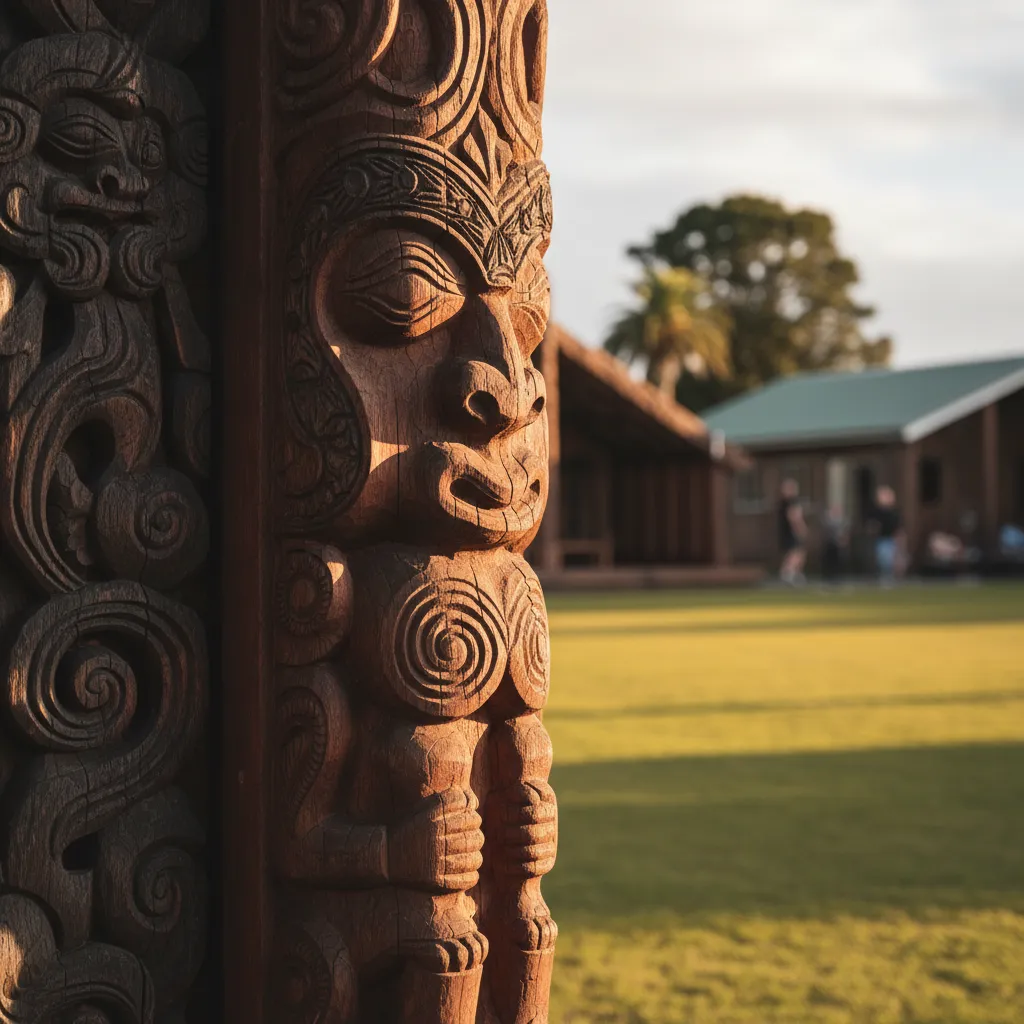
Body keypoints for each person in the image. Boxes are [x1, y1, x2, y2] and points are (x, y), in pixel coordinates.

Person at [871, 485, 905, 586]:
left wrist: (900, 541)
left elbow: (899, 529)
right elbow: (873, 527)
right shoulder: (877, 512)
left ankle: (889, 579)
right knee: (883, 560)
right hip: (881, 539)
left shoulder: (894, 513)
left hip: (891, 539)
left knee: (890, 560)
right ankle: (884, 578)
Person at [777, 478, 808, 585]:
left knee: (797, 552)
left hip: (786, 531)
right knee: (796, 552)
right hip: (791, 531)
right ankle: (788, 573)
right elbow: (794, 517)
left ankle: (794, 573)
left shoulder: (783, 503)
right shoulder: (792, 502)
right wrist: (800, 528)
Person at [821, 503, 849, 584]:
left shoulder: (843, 521)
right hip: (830, 544)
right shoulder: (827, 520)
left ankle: (837, 577)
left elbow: (845, 533)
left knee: (839, 561)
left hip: (839, 545)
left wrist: (843, 540)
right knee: (829, 561)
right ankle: (828, 577)